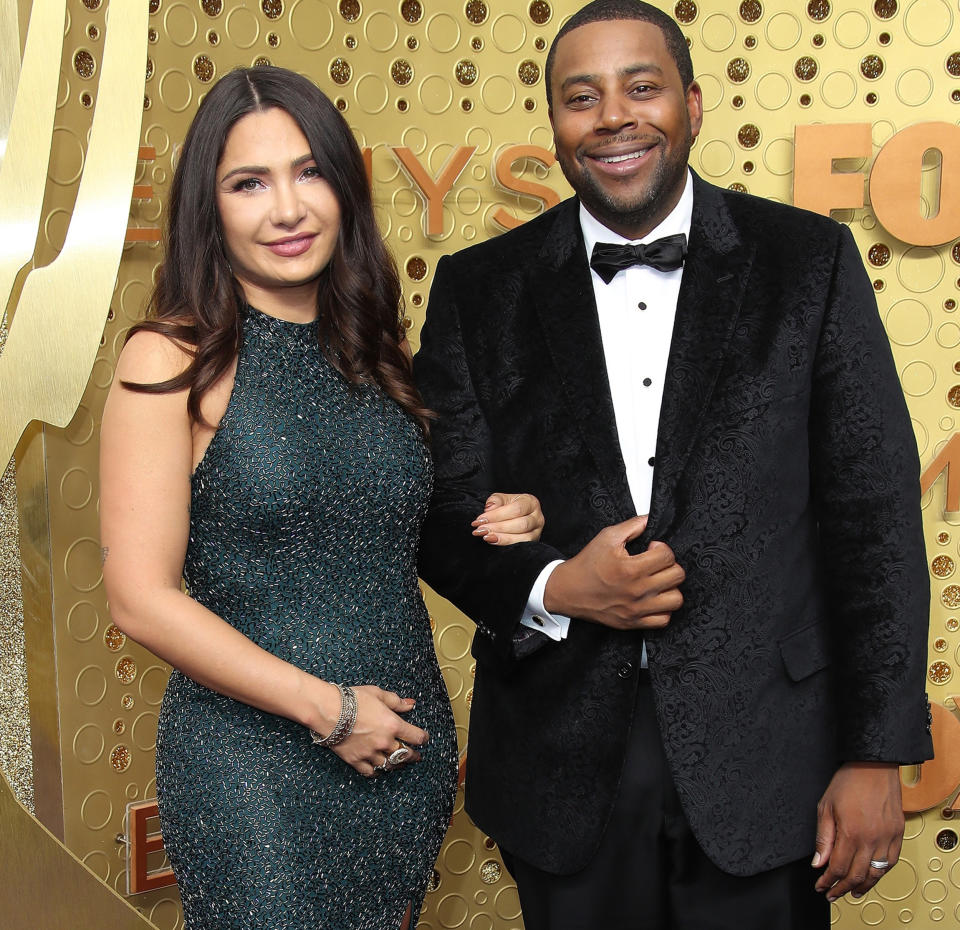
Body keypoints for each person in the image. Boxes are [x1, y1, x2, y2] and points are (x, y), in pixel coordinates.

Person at [413, 2, 933, 928]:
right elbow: (438, 513)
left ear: (692, 103)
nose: (613, 116)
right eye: (583, 97)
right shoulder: (479, 288)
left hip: (772, 755)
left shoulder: (807, 261)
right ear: (556, 126)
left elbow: (875, 515)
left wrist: (875, 754)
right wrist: (558, 585)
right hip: (561, 761)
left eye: (641, 87)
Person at [99, 66, 545, 930]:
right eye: (249, 183)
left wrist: (509, 516)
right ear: (209, 207)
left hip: (402, 759)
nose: (288, 209)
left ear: (344, 187)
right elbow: (139, 601)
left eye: (309, 172)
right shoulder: (171, 359)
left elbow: (388, 532)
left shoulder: (374, 354)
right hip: (253, 770)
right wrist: (328, 710)